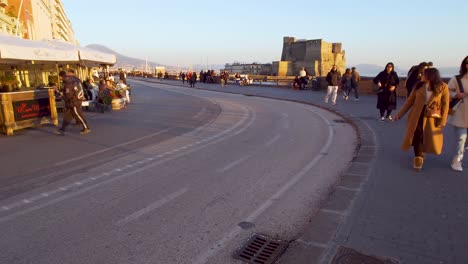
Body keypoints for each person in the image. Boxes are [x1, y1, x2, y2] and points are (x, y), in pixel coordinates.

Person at [393, 68, 449, 171]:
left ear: (430, 75)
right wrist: (399, 114)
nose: (421, 75)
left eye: (423, 74)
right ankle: (418, 157)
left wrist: (443, 121)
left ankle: (421, 152)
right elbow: (409, 101)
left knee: (426, 136)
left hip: (432, 116)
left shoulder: (443, 87)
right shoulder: (418, 86)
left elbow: (445, 105)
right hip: (416, 114)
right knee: (417, 135)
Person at [447, 56, 468, 171]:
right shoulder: (457, 79)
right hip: (461, 113)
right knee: (461, 138)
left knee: (465, 141)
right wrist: (456, 95)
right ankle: (457, 161)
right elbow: (447, 92)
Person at [55, 69, 91, 135]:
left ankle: (86, 128)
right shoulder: (76, 79)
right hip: (76, 100)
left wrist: (60, 94)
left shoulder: (68, 82)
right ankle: (63, 129)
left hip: (73, 101)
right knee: (67, 115)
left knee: (78, 114)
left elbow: (68, 94)